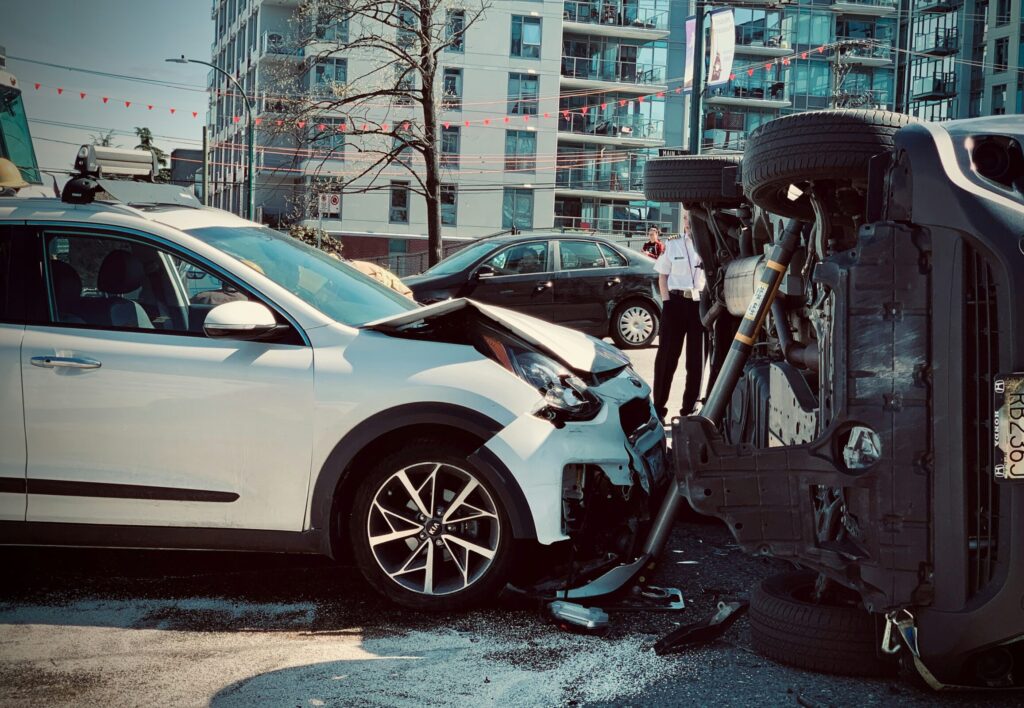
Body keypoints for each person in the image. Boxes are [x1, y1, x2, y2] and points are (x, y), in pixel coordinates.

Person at [652, 211, 706, 421]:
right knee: (667, 358)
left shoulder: (707, 244)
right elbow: (662, 276)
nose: (689, 223)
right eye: (686, 219)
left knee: (696, 360)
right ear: (684, 221)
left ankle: (689, 409)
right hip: (675, 303)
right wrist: (666, 302)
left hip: (699, 305)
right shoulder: (673, 244)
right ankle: (658, 408)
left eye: (692, 219)